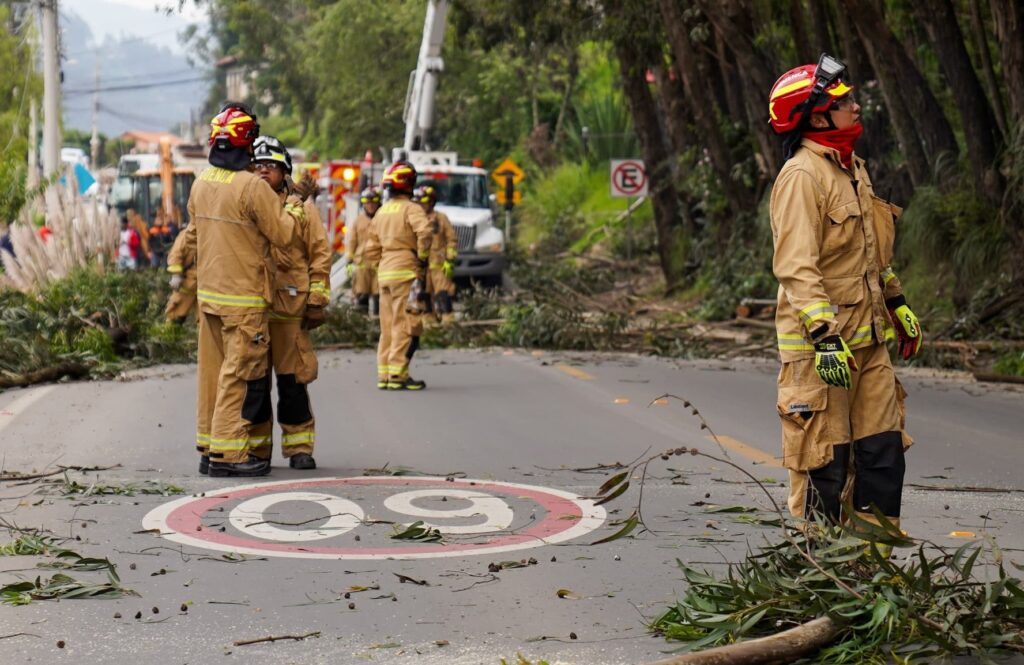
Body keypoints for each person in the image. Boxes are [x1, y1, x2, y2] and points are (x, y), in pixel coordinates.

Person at [767, 53, 922, 530]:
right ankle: (823, 575)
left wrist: (895, 301)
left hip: (868, 343)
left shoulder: (852, 168)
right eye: (843, 101)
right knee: (825, 467)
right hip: (822, 354)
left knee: (882, 455)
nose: (855, 107)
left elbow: (868, 252)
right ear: (817, 116)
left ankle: (876, 572)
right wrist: (823, 335)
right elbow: (797, 267)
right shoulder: (801, 177)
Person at [184, 102, 300, 478]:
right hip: (244, 300)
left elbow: (195, 235)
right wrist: (295, 207)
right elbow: (283, 235)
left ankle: (208, 447)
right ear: (246, 141)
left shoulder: (201, 182)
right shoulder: (252, 187)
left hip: (211, 296)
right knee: (239, 374)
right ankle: (228, 455)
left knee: (213, 374)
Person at [251, 135, 331, 470]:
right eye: (256, 165)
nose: (262, 171)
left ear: (285, 172)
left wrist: (316, 300)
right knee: (253, 384)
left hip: (290, 309)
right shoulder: (246, 205)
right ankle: (255, 452)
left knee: (292, 383)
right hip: (252, 310)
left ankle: (300, 448)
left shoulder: (304, 210)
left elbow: (320, 255)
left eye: (270, 166)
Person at [362, 161, 432, 390]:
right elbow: (425, 232)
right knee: (404, 324)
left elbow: (370, 248)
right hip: (406, 272)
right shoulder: (411, 208)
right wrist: (421, 258)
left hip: (384, 274)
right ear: (409, 183)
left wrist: (379, 267)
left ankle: (384, 374)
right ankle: (398, 375)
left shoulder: (382, 211)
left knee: (387, 325)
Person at [414, 185, 457, 323]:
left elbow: (452, 240)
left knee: (442, 293)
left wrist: (449, 260)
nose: (421, 205)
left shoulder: (441, 218)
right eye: (419, 202)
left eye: (424, 202)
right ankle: (429, 322)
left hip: (439, 264)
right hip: (421, 266)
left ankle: (448, 321)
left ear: (432, 202)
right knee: (423, 295)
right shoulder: (414, 220)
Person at [347, 187, 382, 315]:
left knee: (379, 295)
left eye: (373, 202)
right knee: (362, 295)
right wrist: (349, 261)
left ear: (379, 203)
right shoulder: (358, 221)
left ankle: (377, 325)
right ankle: (361, 325)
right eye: (367, 203)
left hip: (379, 264)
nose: (370, 205)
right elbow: (352, 241)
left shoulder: (383, 219)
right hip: (362, 264)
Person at [165, 224, 198, 324]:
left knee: (205, 320)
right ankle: (169, 336)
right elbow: (175, 255)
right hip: (187, 283)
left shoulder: (211, 235)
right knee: (175, 314)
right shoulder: (186, 235)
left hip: (205, 285)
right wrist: (176, 275)